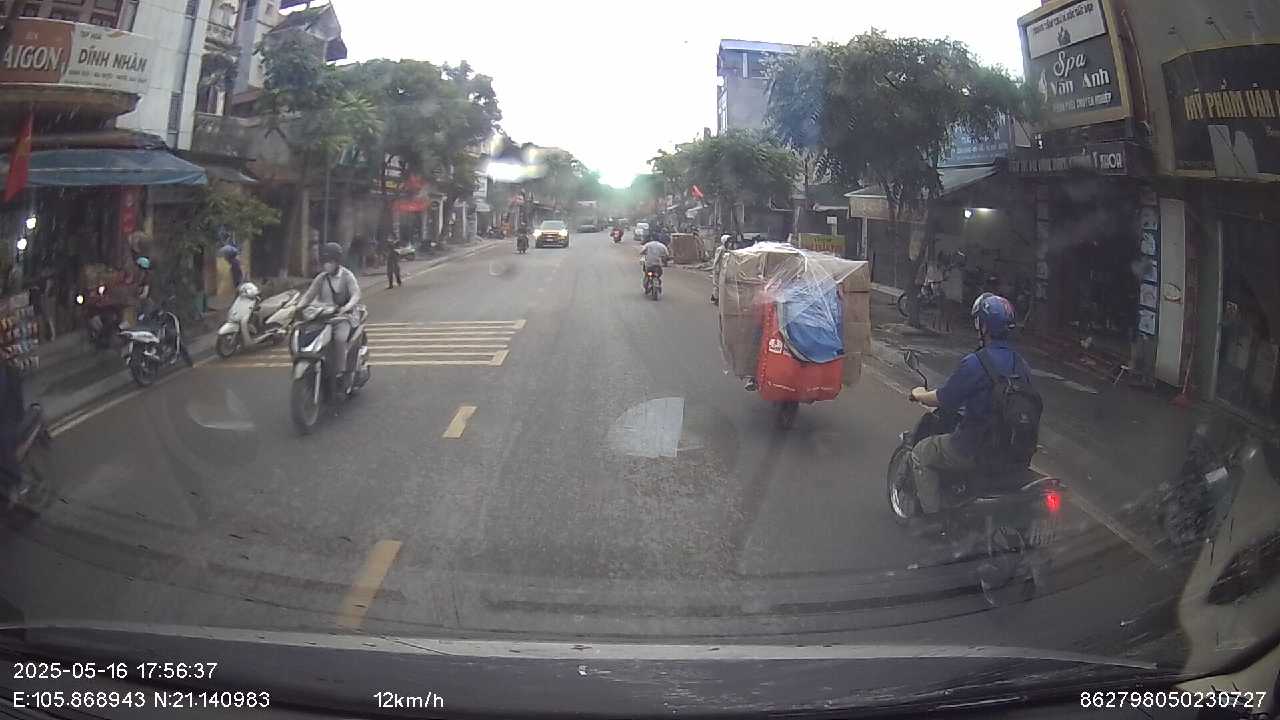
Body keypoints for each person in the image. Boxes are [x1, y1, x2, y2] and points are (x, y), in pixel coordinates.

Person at [907, 292, 1034, 519]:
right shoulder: (1022, 365)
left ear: (983, 327)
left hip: (973, 447)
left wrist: (919, 394)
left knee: (921, 453)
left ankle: (932, 518)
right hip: (1011, 451)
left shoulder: (976, 363)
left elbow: (945, 398)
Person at [298, 242, 363, 383]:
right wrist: (298, 307)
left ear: (337, 262)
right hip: (323, 317)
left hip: (344, 317)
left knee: (339, 339)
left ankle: (341, 373)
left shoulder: (347, 276)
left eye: (330, 261)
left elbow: (356, 294)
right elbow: (309, 295)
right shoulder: (321, 278)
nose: (327, 265)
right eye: (325, 261)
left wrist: (347, 307)